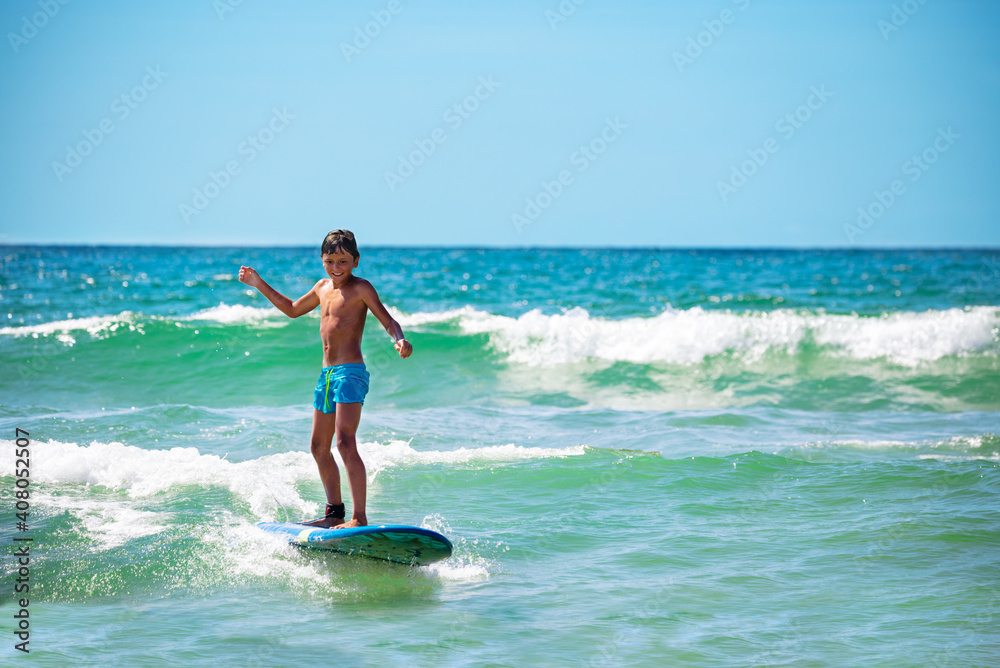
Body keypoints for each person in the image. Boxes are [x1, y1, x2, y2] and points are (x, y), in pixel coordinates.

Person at [238, 229, 412, 528]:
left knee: (345, 442)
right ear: (322, 261)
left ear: (355, 261)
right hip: (326, 376)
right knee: (319, 447)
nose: (336, 267)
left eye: (343, 261)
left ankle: (359, 517)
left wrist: (399, 339)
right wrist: (258, 284)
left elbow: (388, 320)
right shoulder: (321, 288)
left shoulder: (361, 289)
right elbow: (292, 310)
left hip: (350, 373)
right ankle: (335, 514)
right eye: (330, 261)